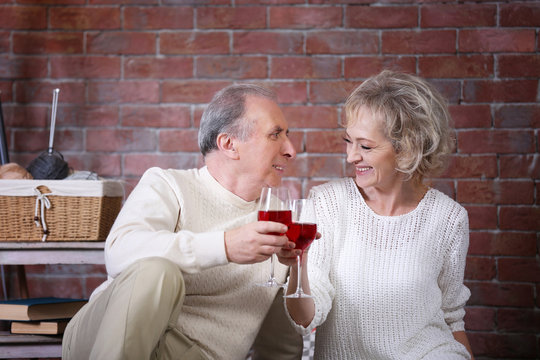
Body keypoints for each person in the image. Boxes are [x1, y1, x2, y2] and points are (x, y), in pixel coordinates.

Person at [62, 83, 304, 359]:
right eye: (276, 135)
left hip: (190, 355)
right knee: (156, 271)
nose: (291, 150)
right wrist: (225, 246)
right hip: (103, 336)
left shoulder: (281, 220)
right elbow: (119, 252)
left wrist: (297, 270)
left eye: (287, 135)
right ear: (229, 144)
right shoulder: (168, 185)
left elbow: (281, 339)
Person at [283, 70, 475, 359]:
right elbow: (305, 318)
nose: (351, 156)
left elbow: (452, 317)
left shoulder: (449, 219)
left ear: (407, 148)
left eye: (366, 146)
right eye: (349, 141)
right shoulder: (328, 202)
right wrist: (298, 266)